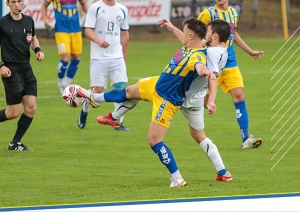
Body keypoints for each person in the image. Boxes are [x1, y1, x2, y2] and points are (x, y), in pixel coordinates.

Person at [77, 18, 226, 187]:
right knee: (128, 91)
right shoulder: (192, 44)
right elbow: (186, 41)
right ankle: (96, 100)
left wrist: (205, 70)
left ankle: (177, 178)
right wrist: (172, 28)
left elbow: (198, 65)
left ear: (191, 36)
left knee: (154, 140)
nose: (182, 35)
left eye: (184, 32)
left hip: (167, 99)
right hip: (157, 84)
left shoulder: (198, 56)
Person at [198, 0, 263, 149]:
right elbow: (196, 34)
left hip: (231, 63)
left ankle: (246, 138)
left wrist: (249, 51)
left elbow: (234, 35)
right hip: (212, 64)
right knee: (202, 102)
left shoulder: (234, 13)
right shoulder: (208, 13)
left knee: (239, 96)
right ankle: (196, 131)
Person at [77, 0, 130, 131]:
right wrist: (98, 41)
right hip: (98, 57)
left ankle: (117, 122)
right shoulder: (95, 8)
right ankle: (85, 110)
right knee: (97, 90)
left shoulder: (122, 9)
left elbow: (124, 34)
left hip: (116, 56)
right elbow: (87, 30)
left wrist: (124, 55)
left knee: (120, 88)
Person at [0, 0, 44, 151]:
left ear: (23, 3)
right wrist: (1, 66)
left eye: (19, 1)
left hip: (27, 68)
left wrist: (37, 49)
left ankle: (15, 143)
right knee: (13, 112)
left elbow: (33, 37)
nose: (17, 5)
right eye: (13, 2)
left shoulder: (28, 20)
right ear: (8, 3)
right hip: (10, 70)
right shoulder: (2, 23)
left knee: (31, 108)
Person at [41, 0, 88, 94]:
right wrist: (45, 19)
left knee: (76, 58)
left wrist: (94, 16)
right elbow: (44, 5)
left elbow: (84, 4)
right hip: (61, 30)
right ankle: (60, 82)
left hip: (76, 29)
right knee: (66, 57)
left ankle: (66, 84)